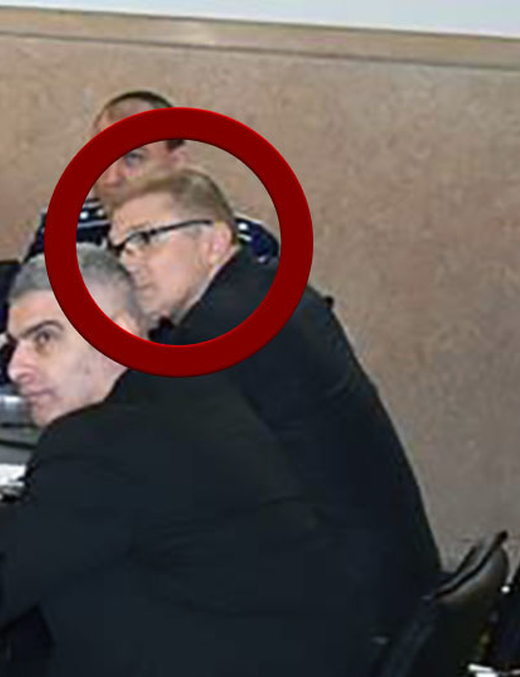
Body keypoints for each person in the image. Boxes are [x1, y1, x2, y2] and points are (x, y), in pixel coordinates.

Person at [0, 247, 376, 677]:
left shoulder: (98, 440)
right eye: (16, 343)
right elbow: (51, 530)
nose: (16, 367)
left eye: (45, 339)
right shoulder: (188, 392)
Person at [108, 167, 441, 640]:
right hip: (393, 590)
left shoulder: (220, 328)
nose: (129, 263)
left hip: (339, 619)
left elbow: (138, 460)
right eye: (120, 249)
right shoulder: (270, 291)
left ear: (213, 242)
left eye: (146, 239)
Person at [0, 90, 278, 375]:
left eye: (133, 158)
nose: (110, 177)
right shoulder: (70, 230)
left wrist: (91, 368)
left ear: (177, 162)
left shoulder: (240, 241)